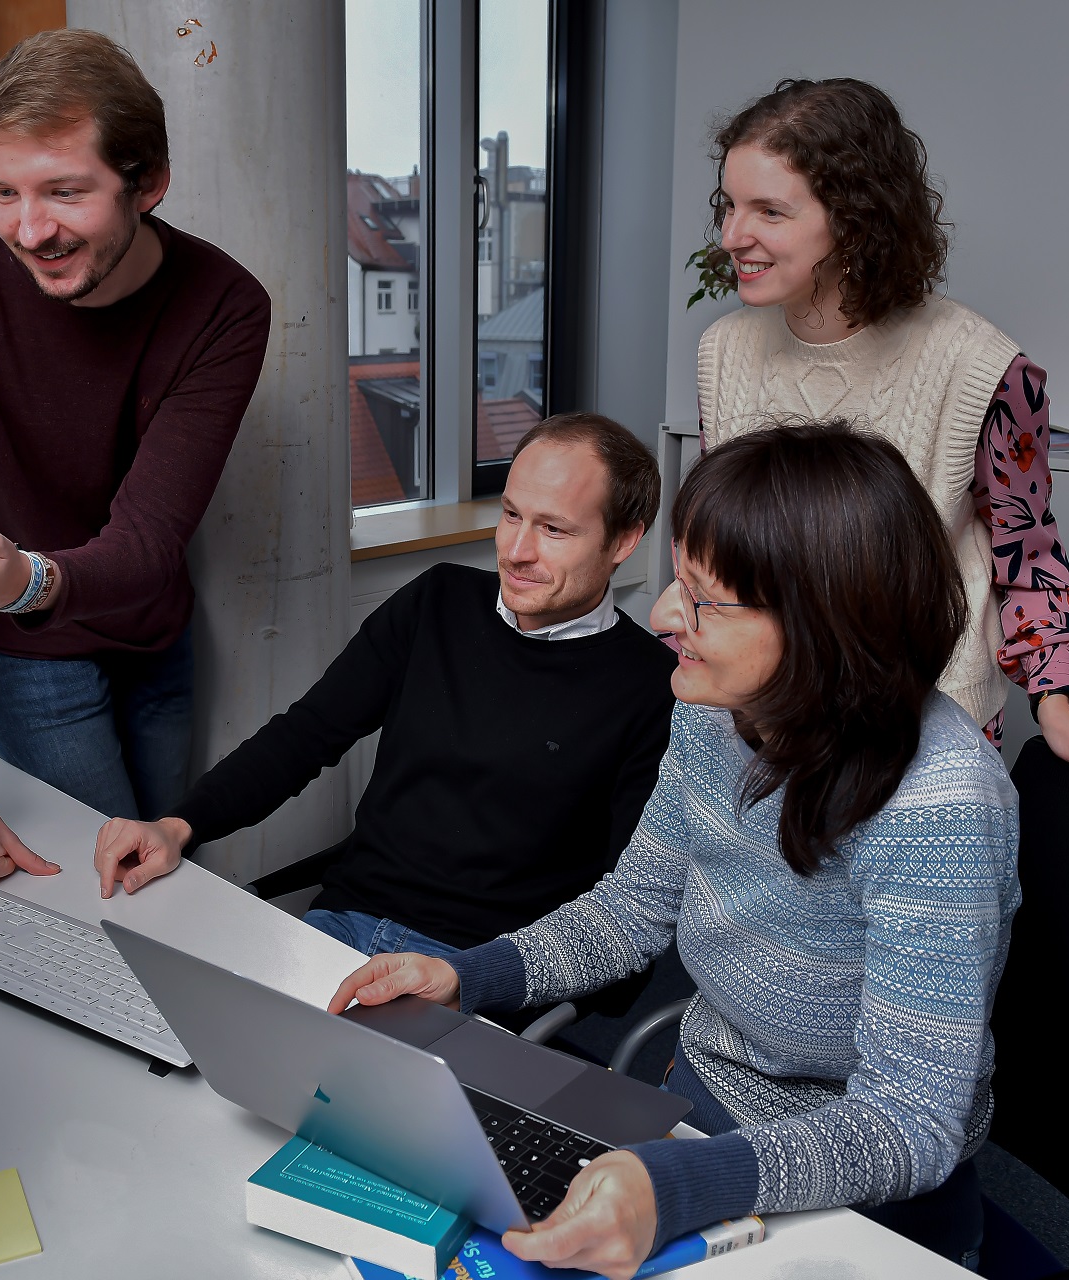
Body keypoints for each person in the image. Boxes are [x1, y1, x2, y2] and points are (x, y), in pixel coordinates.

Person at [332, 421, 1020, 1277]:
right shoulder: (713, 709)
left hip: (860, 1193)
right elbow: (632, 910)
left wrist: (681, 1184)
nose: (662, 616)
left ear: (825, 626)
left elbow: (911, 1123)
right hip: (695, 1106)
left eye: (704, 600)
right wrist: (470, 975)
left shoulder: (939, 807)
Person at [0, 30, 271, 887]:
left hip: (149, 630)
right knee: (99, 896)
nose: (29, 229)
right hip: (17, 651)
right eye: (3, 191)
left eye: (64, 192)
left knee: (169, 875)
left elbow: (147, 541)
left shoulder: (224, 306)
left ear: (147, 184)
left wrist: (29, 579)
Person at [92, 414, 677, 958]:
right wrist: (178, 824)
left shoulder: (650, 686)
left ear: (624, 541)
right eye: (510, 515)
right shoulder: (439, 600)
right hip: (347, 922)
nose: (516, 551)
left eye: (553, 529)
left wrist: (489, 981)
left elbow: (627, 902)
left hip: (479, 966)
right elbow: (306, 734)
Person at [691, 77, 1069, 787]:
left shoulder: (983, 367)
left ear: (854, 218)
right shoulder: (724, 351)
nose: (731, 237)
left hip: (919, 728)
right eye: (730, 205)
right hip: (761, 717)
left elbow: (1028, 556)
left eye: (768, 211)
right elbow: (721, 546)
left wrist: (1059, 704)